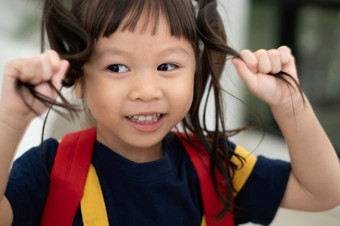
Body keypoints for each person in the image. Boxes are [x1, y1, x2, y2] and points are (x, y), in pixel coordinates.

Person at [0, 0, 340, 225]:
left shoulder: (217, 167)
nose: (147, 91)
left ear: (195, 70)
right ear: (79, 79)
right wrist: (10, 120)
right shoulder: (48, 170)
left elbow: (324, 191)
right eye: (117, 67)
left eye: (167, 65)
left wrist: (289, 104)